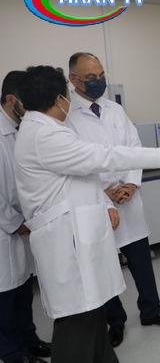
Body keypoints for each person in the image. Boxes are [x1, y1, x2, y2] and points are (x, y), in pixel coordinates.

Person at [13, 66, 160, 363]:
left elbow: (81, 175)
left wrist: (107, 204)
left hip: (81, 233)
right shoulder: (44, 134)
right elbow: (102, 156)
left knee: (92, 320)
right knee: (77, 327)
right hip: (68, 245)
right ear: (60, 98)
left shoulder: (42, 128)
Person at [65, 52, 160, 348]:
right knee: (104, 266)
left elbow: (133, 148)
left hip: (128, 200)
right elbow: (78, 162)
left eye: (101, 75)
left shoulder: (115, 110)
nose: (99, 81)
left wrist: (130, 184)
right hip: (97, 201)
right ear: (74, 80)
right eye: (91, 78)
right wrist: (104, 192)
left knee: (141, 259)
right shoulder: (67, 116)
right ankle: (115, 321)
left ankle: (151, 311)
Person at [0, 71, 51, 363]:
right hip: (6, 228)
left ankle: (30, 342)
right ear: (11, 100)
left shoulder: (20, 130)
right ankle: (11, 353)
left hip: (23, 224)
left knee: (22, 289)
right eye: (26, 101)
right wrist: (14, 222)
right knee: (6, 296)